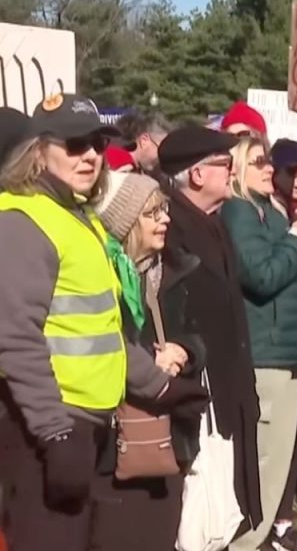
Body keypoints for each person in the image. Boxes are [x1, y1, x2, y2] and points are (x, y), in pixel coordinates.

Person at [0, 94, 200, 551]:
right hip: (42, 431)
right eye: (74, 144)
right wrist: (55, 433)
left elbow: (102, 330)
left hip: (82, 426)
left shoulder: (79, 218)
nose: (90, 154)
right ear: (38, 151)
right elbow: (14, 339)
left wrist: (160, 387)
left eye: (97, 143)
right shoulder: (22, 220)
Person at [90, 171, 206, 550]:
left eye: (165, 210)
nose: (165, 220)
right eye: (152, 213)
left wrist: (184, 351)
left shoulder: (173, 271)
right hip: (116, 440)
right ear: (126, 222)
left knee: (160, 533)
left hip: (169, 439)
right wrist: (147, 363)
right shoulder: (101, 277)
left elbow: (201, 332)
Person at [158, 125, 263, 541]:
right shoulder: (171, 225)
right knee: (194, 509)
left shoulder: (214, 224)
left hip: (229, 379)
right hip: (197, 384)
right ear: (197, 174)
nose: (233, 171)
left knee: (225, 504)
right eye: (225, 164)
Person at [221, 137, 297, 551]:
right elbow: (261, 276)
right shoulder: (239, 212)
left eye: (268, 161)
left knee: (277, 463)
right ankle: (244, 543)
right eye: (258, 161)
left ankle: (257, 539)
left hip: (288, 351)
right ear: (236, 170)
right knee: (262, 460)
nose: (269, 168)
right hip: (266, 351)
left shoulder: (272, 211)